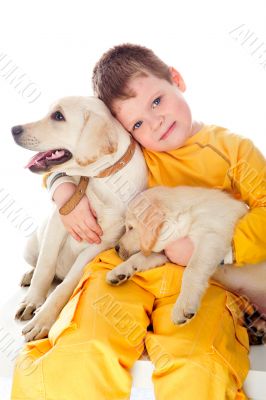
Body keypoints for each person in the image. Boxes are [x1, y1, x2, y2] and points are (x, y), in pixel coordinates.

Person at [11, 44, 266, 400]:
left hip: (201, 283)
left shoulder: (234, 150)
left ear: (176, 79)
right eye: (138, 122)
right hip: (118, 268)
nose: (155, 121)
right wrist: (63, 190)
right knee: (81, 350)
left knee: (197, 366)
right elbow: (67, 149)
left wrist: (213, 247)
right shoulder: (130, 147)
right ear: (123, 128)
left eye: (157, 101)